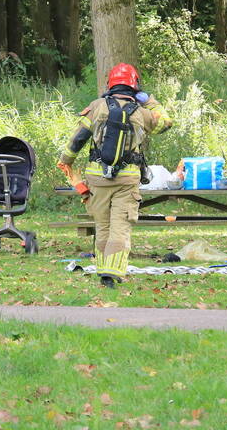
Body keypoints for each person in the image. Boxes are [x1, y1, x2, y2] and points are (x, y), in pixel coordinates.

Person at [57, 63, 172, 288]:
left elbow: (77, 139)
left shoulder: (97, 106)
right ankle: (112, 272)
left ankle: (103, 269)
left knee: (102, 225)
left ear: (110, 83)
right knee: (120, 225)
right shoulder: (142, 112)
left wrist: (66, 162)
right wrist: (149, 100)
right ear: (135, 85)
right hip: (127, 180)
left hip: (97, 178)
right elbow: (166, 123)